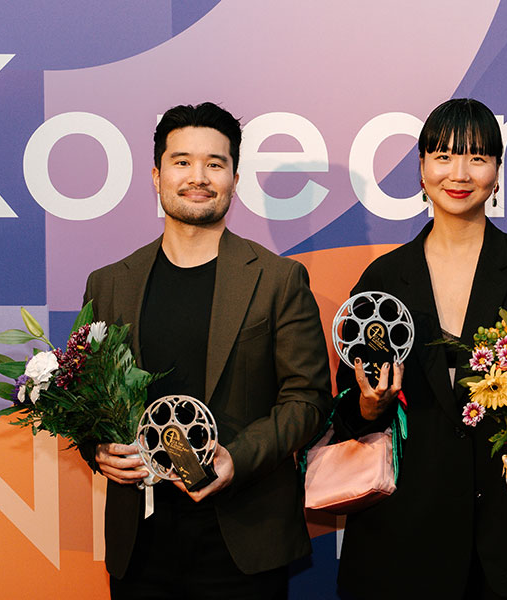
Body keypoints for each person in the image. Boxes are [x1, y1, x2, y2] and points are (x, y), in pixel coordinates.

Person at [78, 102, 332, 599]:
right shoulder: (109, 284)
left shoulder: (278, 280)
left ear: (234, 178)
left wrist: (236, 458)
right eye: (182, 162)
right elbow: (87, 401)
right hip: (141, 544)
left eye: (215, 164)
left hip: (243, 541)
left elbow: (309, 400)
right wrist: (101, 451)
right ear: (156, 176)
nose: (199, 177)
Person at [333, 98, 507, 600]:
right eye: (443, 156)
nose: (459, 173)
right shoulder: (383, 281)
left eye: (477, 157)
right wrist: (368, 404)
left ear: (497, 172)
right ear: (421, 169)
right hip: (403, 540)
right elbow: (346, 411)